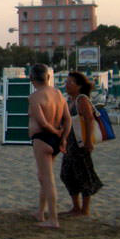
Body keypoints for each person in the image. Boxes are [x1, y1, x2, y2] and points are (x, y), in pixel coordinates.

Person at [28, 63, 71, 229]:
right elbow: (67, 118)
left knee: (47, 178)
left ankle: (53, 218)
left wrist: (54, 131)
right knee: (43, 176)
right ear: (48, 77)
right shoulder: (58, 94)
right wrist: (64, 137)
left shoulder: (35, 97)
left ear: (32, 78)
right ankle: (40, 212)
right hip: (55, 139)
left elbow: (42, 122)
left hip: (43, 138)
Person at [60, 71, 104, 217]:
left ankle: (84, 209)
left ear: (78, 86)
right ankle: (76, 207)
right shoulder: (70, 100)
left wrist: (88, 142)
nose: (66, 85)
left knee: (83, 174)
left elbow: (89, 120)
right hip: (71, 143)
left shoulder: (82, 100)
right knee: (67, 174)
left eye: (69, 82)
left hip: (80, 143)